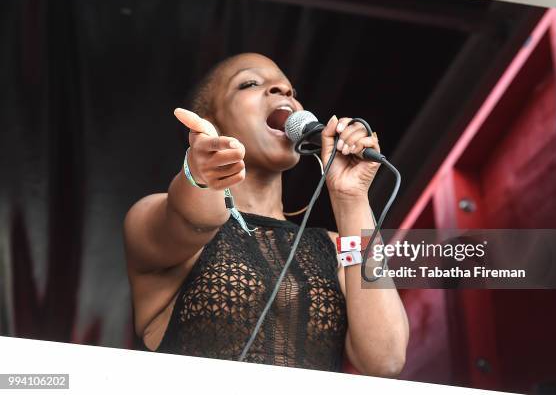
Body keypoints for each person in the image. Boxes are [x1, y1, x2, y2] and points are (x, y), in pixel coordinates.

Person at [123, 53, 409, 376]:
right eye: (250, 83)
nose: (283, 90)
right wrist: (200, 174)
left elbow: (386, 358)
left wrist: (351, 198)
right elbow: (194, 217)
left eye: (290, 90)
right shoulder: (151, 215)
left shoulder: (335, 247)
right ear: (209, 121)